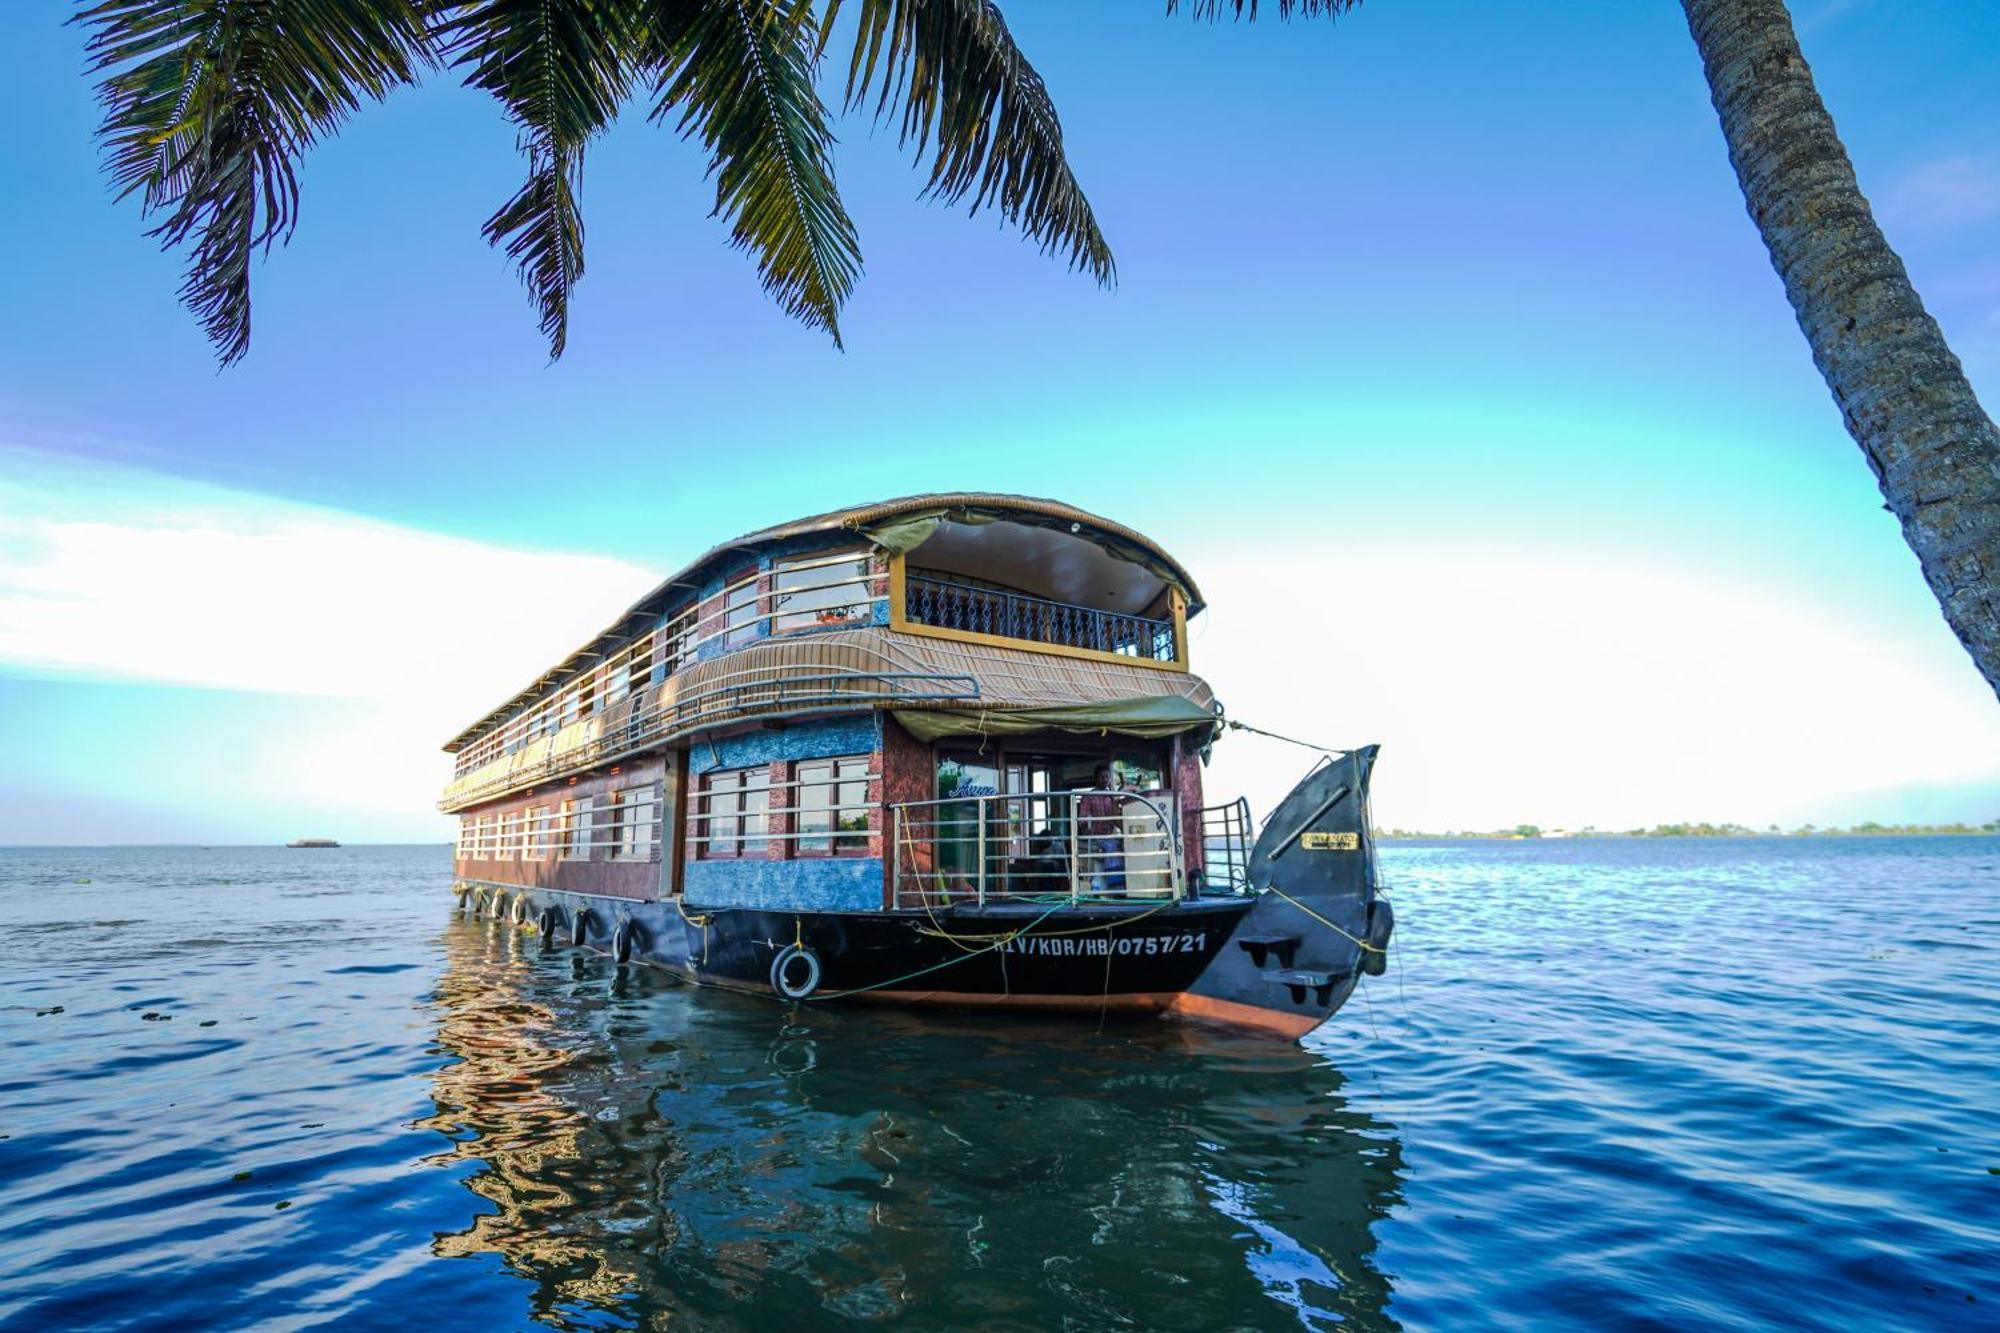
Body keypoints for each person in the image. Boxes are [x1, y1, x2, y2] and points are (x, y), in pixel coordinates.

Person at [1075, 764, 1126, 894]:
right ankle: (1116, 888)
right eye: (1102, 777)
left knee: (1123, 846)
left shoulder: (1112, 796)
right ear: (1096, 778)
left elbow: (1117, 817)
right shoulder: (1088, 797)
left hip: (1110, 835)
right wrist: (1089, 829)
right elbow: (1082, 820)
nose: (1105, 779)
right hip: (1094, 837)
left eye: (1107, 777)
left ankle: (1123, 886)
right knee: (1111, 848)